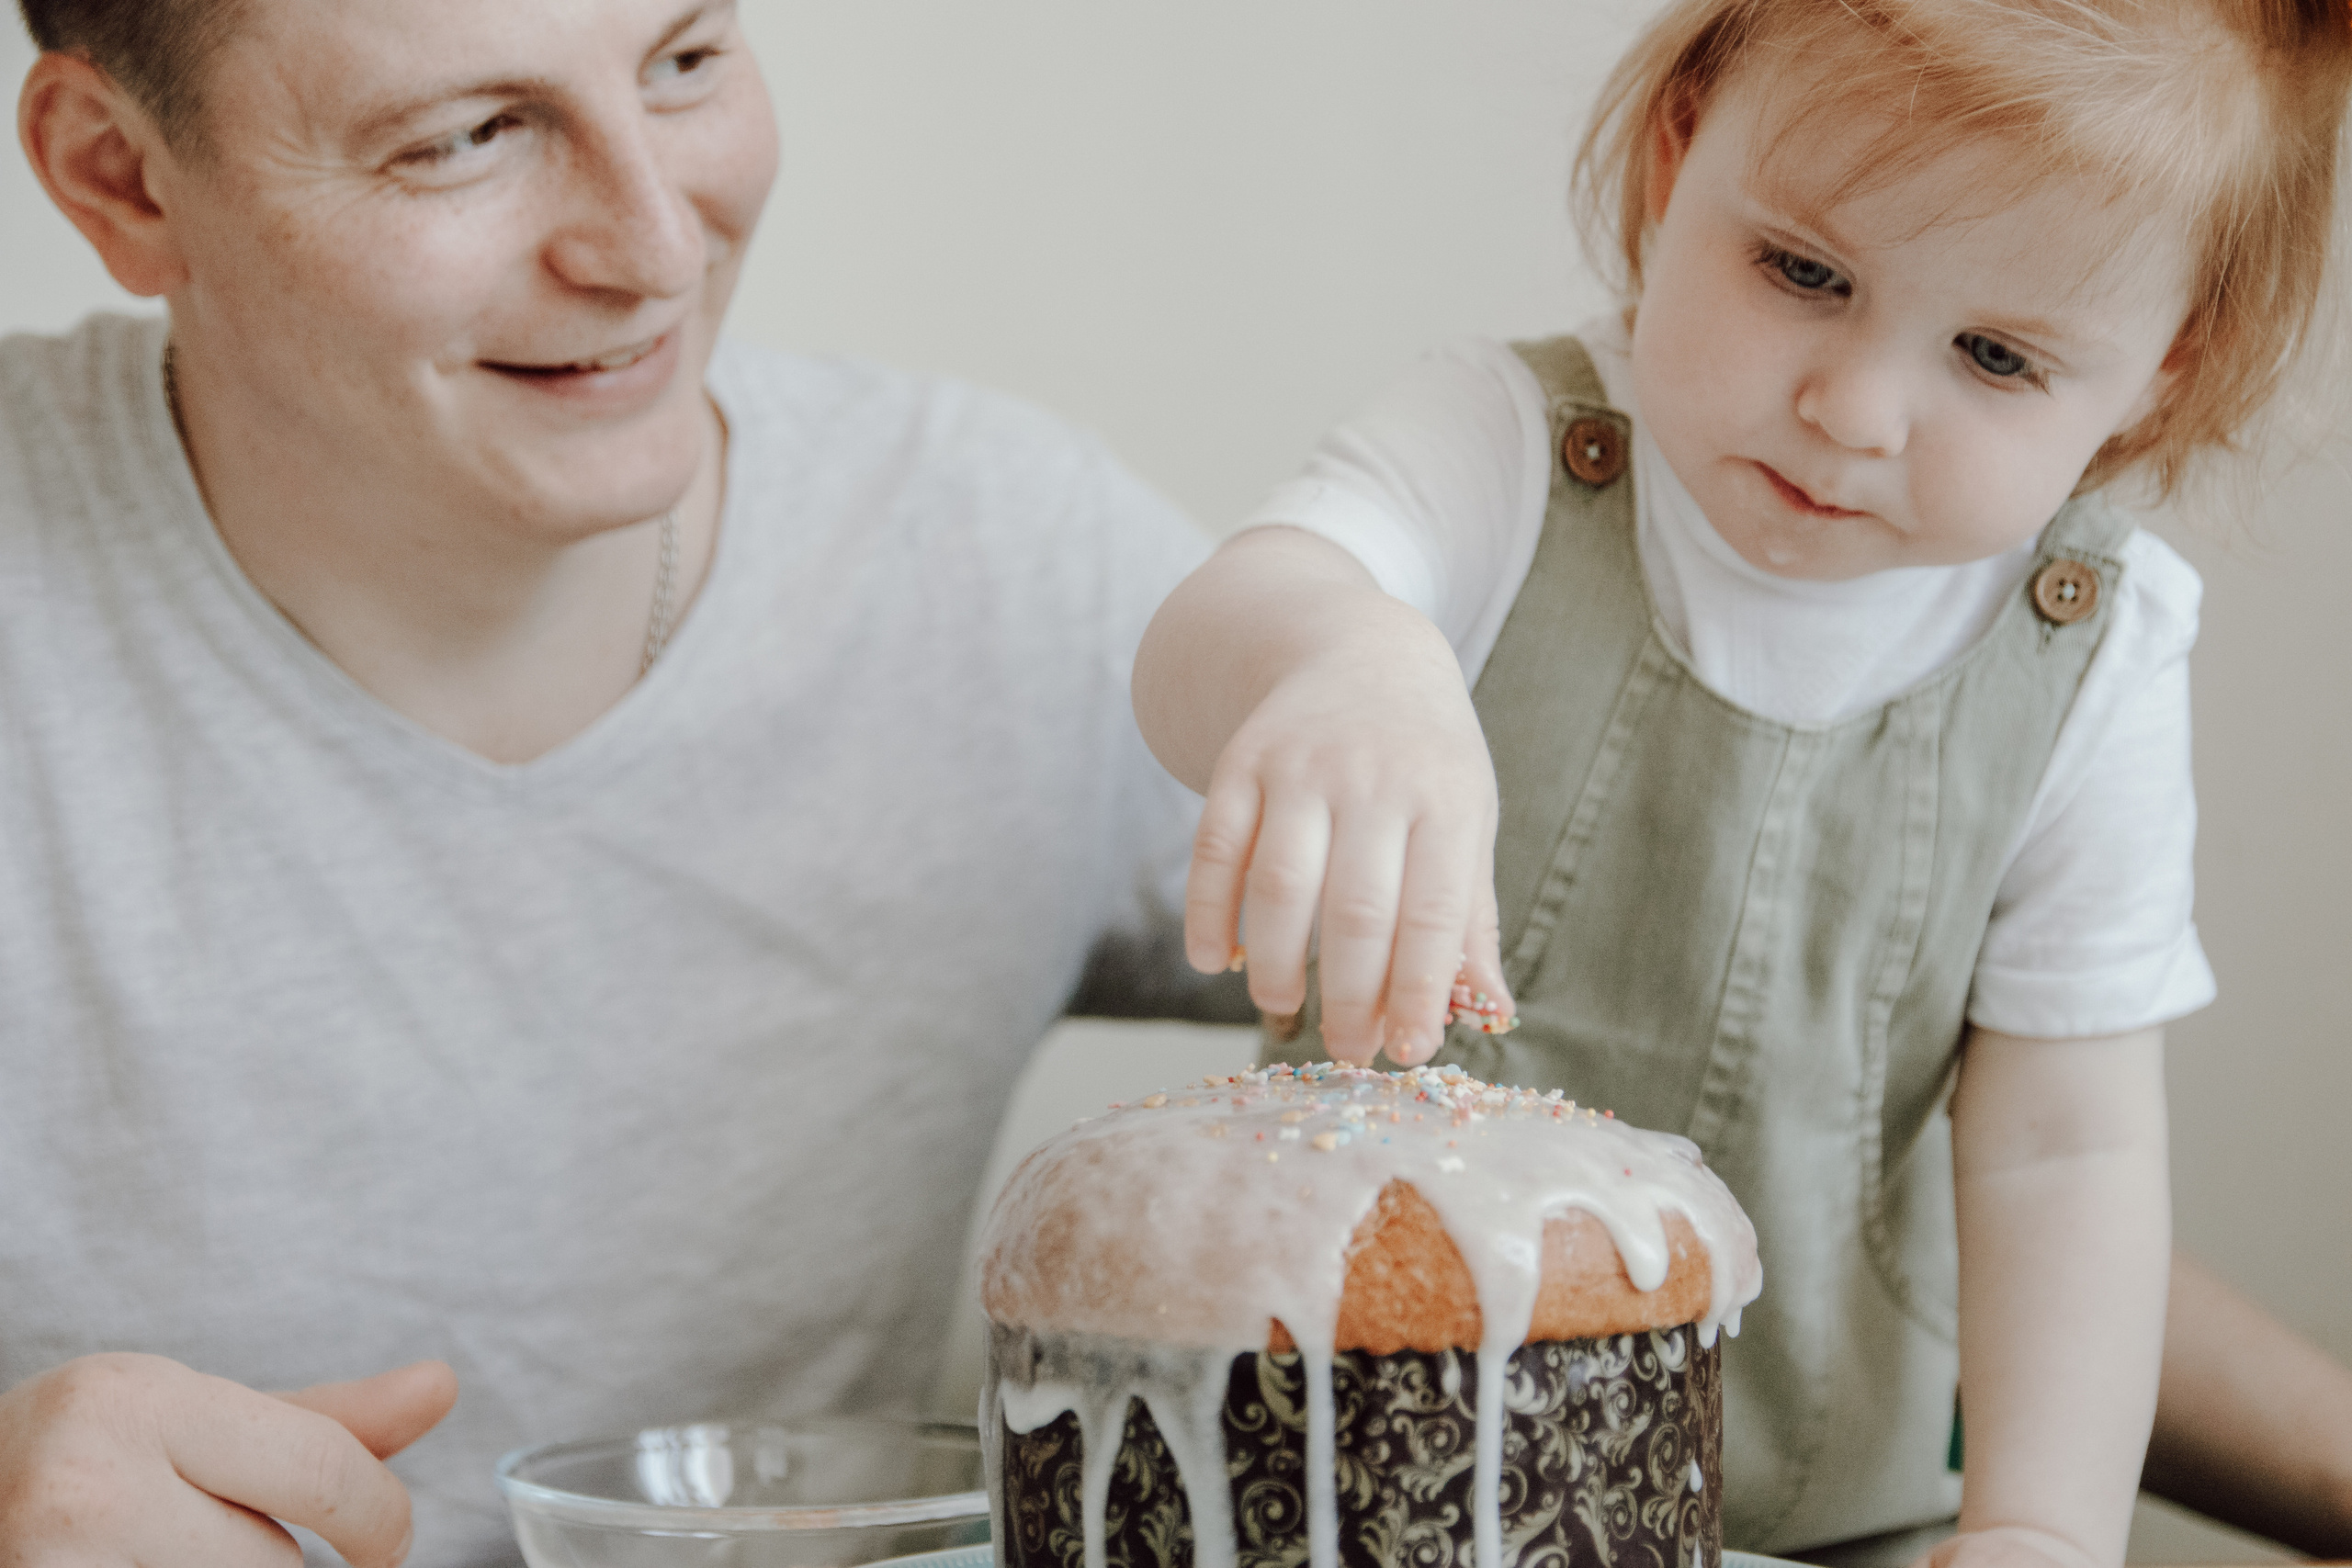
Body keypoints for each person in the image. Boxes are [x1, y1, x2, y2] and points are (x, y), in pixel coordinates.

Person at [0, 0, 1242, 1562]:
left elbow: (1521, 1023)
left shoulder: (1003, 563)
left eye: (684, 63)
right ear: (118, 176)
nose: (657, 247)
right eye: (465, 138)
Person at [1132, 1, 2352, 1563]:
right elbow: (1201, 648)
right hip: (1348, 1492)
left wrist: (2042, 1528)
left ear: (2162, 377)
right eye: (1803, 272)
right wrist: (1338, 657)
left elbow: (2068, 1147)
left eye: (1996, 356)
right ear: (1677, 151)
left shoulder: (2092, 649)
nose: (1855, 410)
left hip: (1824, 1514)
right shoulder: (1499, 449)